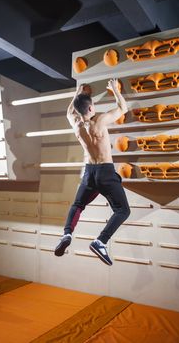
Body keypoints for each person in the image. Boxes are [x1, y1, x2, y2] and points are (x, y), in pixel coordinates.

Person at [54, 79, 130, 265]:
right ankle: (100, 241)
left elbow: (69, 112)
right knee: (123, 210)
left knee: (77, 205)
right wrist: (114, 90)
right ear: (90, 109)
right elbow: (123, 108)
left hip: (89, 172)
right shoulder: (100, 121)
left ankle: (67, 234)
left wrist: (77, 93)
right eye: (93, 106)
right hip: (105, 171)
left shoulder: (76, 125)